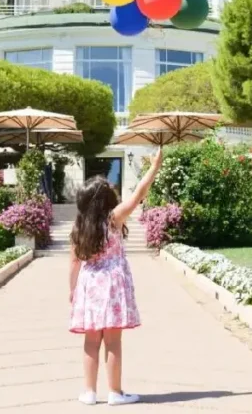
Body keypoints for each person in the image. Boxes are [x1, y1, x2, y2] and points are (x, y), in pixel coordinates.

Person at [68, 147, 164, 406]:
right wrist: (154, 167)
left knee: (91, 341)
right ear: (105, 200)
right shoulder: (114, 219)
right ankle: (115, 392)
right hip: (111, 284)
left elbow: (74, 263)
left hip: (88, 286)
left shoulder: (79, 228)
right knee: (112, 341)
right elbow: (138, 194)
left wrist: (72, 290)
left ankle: (89, 392)